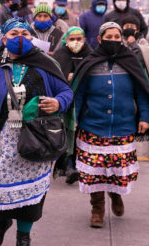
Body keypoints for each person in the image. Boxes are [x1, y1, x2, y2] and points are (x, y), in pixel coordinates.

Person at [0, 17, 73, 246]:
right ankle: (0, 228)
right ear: (3, 39)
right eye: (13, 34)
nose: (20, 38)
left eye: (25, 34)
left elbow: (66, 92)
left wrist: (59, 103)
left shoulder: (46, 65)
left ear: (32, 38)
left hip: (35, 141)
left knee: (28, 200)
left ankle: (23, 235)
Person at [71, 22, 149, 228]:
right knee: (93, 170)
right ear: (99, 39)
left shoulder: (131, 61)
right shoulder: (90, 62)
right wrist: (75, 118)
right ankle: (97, 208)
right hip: (92, 126)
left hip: (123, 126)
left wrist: (145, 117)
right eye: (109, 37)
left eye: (117, 37)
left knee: (117, 167)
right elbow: (78, 92)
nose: (114, 40)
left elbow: (142, 91)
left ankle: (116, 196)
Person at [53, 27, 92, 184]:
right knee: (69, 133)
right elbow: (54, 77)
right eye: (72, 39)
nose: (76, 42)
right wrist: (66, 78)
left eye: (79, 39)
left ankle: (81, 166)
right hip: (66, 102)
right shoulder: (60, 55)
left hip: (87, 102)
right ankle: (69, 167)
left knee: (83, 135)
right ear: (66, 40)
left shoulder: (90, 55)